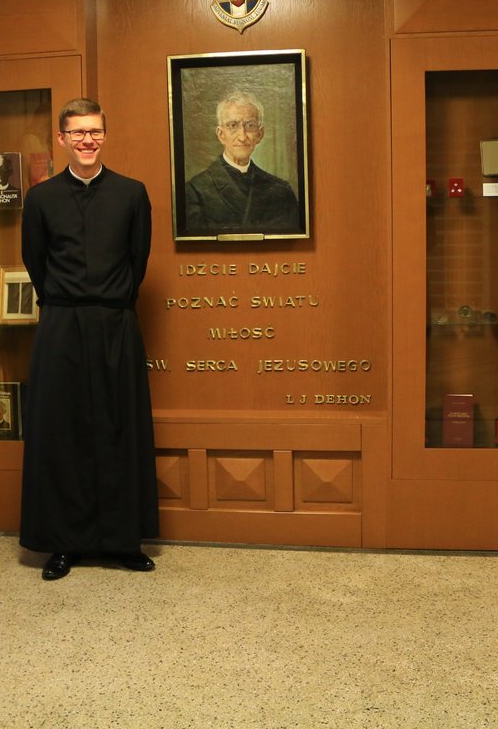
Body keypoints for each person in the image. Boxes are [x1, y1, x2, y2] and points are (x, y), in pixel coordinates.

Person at [19, 98, 159, 581]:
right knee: (63, 432)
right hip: (60, 324)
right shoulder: (41, 199)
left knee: (121, 428)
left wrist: (107, 303)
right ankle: (65, 544)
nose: (87, 140)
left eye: (95, 131)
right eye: (77, 132)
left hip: (116, 322)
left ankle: (123, 541)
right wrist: (68, 303)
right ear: (62, 139)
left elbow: (138, 262)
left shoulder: (131, 194)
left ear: (104, 135)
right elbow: (36, 263)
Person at [183, 90, 300, 235]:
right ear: (221, 134)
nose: (242, 137)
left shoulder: (281, 191)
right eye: (233, 125)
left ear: (260, 134)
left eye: (250, 126)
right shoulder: (195, 191)